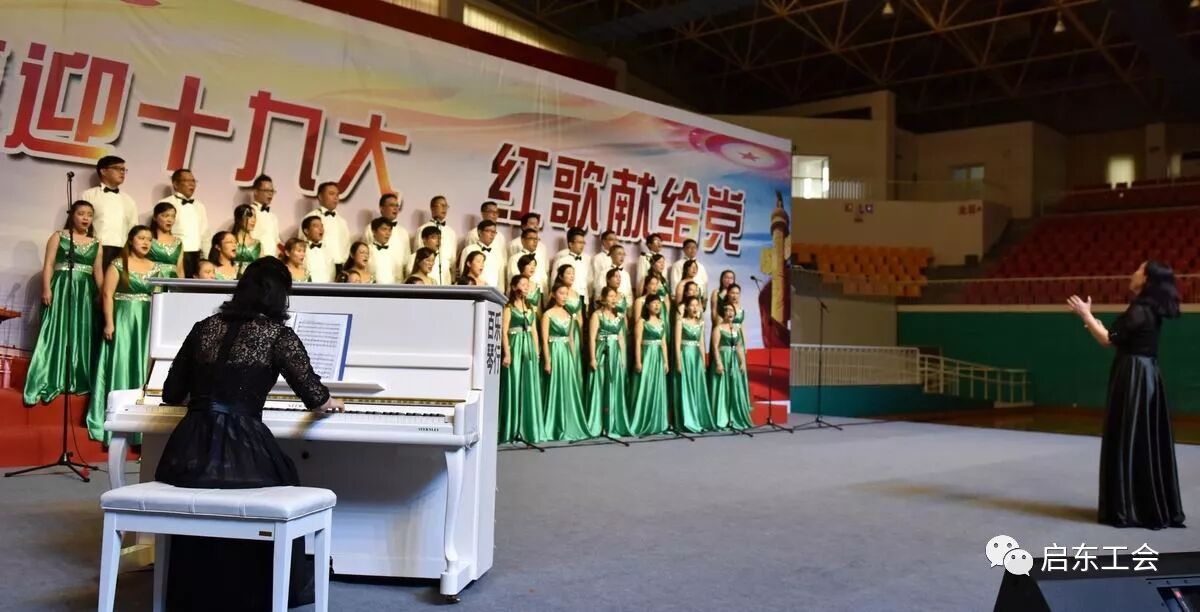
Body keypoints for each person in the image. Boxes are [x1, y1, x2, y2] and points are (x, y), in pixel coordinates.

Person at [153, 257, 344, 611]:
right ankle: (259, 590)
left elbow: (171, 393)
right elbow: (314, 397)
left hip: (189, 447)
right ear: (279, 296)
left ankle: (200, 590)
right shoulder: (278, 335)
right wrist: (333, 401)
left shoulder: (204, 327)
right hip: (242, 441)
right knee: (284, 476)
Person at [1067, 261, 1185, 529]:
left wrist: (1085, 315)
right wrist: (1093, 321)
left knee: (1129, 436)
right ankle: (1142, 504)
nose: (1134, 272)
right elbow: (1115, 337)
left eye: (1140, 270)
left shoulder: (1139, 310)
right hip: (1146, 374)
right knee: (1142, 438)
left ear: (1146, 279)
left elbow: (1107, 339)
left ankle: (1129, 507)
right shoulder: (1149, 310)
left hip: (1133, 376)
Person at [22, 201, 104, 405]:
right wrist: (46, 289)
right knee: (57, 330)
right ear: (72, 215)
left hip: (85, 292)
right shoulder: (59, 236)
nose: (85, 218)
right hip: (61, 287)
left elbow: (98, 271)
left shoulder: (96, 242)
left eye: (89, 214)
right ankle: (51, 376)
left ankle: (76, 378)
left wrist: (103, 295)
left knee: (81, 333)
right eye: (81, 213)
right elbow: (49, 264)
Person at [86, 225, 159, 444]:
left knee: (142, 366)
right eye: (141, 238)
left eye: (149, 239)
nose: (145, 242)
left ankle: (141, 428)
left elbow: (159, 298)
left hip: (146, 322)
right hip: (124, 321)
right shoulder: (118, 264)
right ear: (131, 240)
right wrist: (109, 323)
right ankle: (116, 423)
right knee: (121, 363)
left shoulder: (156, 267)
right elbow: (107, 294)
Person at [541, 282, 590, 442]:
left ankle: (570, 424)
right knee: (554, 387)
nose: (564, 297)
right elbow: (544, 340)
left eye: (566, 294)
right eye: (561, 293)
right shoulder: (548, 314)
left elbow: (571, 339)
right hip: (554, 352)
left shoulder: (569, 315)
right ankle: (553, 426)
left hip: (567, 355)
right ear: (553, 294)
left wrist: (573, 358)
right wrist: (547, 361)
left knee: (568, 387)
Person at [500, 275, 543, 444]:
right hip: (515, 345)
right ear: (514, 287)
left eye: (528, 285)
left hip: (529, 347)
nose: (526, 287)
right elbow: (504, 331)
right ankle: (512, 427)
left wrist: (537, 351)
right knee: (515, 383)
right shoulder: (509, 307)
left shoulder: (530, 307)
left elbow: (534, 331)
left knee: (529, 385)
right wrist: (507, 353)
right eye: (523, 284)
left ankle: (529, 427)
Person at [588, 287, 631, 437]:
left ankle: (613, 422)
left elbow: (621, 338)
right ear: (604, 298)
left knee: (614, 385)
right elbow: (592, 338)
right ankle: (599, 423)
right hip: (602, 351)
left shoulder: (619, 316)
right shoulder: (597, 315)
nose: (614, 299)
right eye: (611, 296)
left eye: (615, 297)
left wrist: (623, 359)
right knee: (601, 385)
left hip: (615, 354)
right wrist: (593, 358)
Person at [81, 155, 137, 268]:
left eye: (124, 170)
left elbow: (133, 228)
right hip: (95, 249)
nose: (122, 172)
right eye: (117, 168)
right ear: (103, 171)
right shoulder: (88, 195)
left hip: (122, 251)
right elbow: (81, 226)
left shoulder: (129, 200)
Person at [629, 294, 669, 437]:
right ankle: (641, 421)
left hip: (658, 357)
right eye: (654, 303)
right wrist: (638, 361)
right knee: (645, 387)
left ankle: (657, 422)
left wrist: (666, 361)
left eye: (658, 303)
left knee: (658, 387)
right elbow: (637, 342)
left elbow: (663, 343)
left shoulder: (662, 322)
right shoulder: (642, 321)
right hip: (646, 356)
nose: (657, 305)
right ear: (647, 306)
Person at [709, 302, 752, 431]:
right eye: (727, 310)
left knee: (734, 387)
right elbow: (715, 347)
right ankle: (722, 418)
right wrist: (718, 363)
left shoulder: (736, 329)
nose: (730, 313)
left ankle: (735, 417)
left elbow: (739, 346)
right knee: (722, 387)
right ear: (723, 313)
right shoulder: (718, 328)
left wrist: (742, 362)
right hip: (723, 359)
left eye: (732, 310)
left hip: (733, 360)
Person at [674, 296, 714, 433]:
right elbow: (677, 343)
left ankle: (699, 418)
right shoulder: (681, 321)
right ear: (686, 307)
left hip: (696, 358)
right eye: (692, 305)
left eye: (697, 305)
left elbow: (701, 343)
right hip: (685, 355)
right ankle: (688, 420)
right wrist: (678, 361)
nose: (695, 308)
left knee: (697, 386)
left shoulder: (700, 323)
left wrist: (703, 361)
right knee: (687, 387)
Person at [160, 169, 208, 277]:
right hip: (174, 254)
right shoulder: (165, 203)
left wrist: (206, 258)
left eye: (193, 181)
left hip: (195, 255)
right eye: (187, 181)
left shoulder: (200, 206)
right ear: (175, 184)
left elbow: (205, 234)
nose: (192, 184)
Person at [302, 182, 350, 264]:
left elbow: (347, 244)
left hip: (341, 266)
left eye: (337, 195)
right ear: (320, 197)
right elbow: (303, 244)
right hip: (319, 264)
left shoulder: (342, 221)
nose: (335, 197)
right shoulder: (309, 217)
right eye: (331, 194)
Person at [413, 195, 457, 277]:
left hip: (446, 275)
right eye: (442, 205)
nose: (444, 208)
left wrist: (453, 277)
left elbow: (453, 259)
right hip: (429, 274)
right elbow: (417, 255)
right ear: (432, 207)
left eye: (446, 206)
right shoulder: (422, 229)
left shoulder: (451, 232)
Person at [363, 193, 410, 268]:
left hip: (399, 273)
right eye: (391, 205)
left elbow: (407, 257)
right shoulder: (370, 228)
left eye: (397, 206)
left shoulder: (403, 232)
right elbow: (365, 254)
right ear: (381, 208)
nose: (395, 208)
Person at [460, 220, 506, 291]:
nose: (492, 234)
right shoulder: (469, 249)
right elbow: (463, 272)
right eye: (488, 231)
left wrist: (501, 292)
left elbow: (501, 278)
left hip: (493, 293)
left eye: (494, 232)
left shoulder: (498, 253)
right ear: (480, 232)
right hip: (473, 290)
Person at [248, 174, 281, 259]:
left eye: (272, 191)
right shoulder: (249, 211)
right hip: (255, 259)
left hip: (272, 260)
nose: (270, 194)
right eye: (266, 190)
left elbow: (276, 241)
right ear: (256, 191)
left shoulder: (273, 216)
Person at [149, 202, 184, 279]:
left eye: (173, 216)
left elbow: (180, 269)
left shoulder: (178, 242)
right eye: (165, 216)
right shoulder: (148, 239)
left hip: (172, 282)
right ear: (155, 217)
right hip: (152, 280)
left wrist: (181, 284)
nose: (170, 220)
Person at [552, 227, 590, 298]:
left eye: (583, 243)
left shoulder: (586, 260)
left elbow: (588, 282)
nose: (582, 245)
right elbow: (554, 282)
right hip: (568, 298)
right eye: (579, 242)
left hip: (584, 298)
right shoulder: (562, 261)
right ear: (570, 244)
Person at [507, 228, 547, 293]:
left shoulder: (540, 257)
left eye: (536, 239)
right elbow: (515, 280)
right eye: (531, 238)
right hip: (524, 294)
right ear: (523, 240)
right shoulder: (515, 258)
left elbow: (544, 279)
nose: (535, 241)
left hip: (540, 295)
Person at [301, 216, 334, 283]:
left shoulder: (328, 250)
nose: (321, 229)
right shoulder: (301, 250)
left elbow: (332, 273)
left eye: (321, 226)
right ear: (306, 231)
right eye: (316, 226)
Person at [231, 204, 262, 276]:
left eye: (255, 217)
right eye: (250, 216)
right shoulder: (230, 241)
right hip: (232, 278)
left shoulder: (258, 243)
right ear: (239, 218)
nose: (253, 220)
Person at [366, 217, 399, 284]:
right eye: (384, 229)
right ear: (374, 231)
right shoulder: (368, 250)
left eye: (389, 230)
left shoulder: (394, 251)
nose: (387, 233)